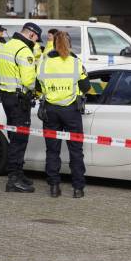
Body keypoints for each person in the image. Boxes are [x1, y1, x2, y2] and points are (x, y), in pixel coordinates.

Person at [36, 31, 90, 198]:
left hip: (51, 110)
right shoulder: (75, 62)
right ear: (70, 44)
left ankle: (54, 187)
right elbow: (86, 86)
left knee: (52, 150)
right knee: (76, 150)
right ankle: (78, 189)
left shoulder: (44, 63)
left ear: (53, 44)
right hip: (71, 110)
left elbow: (38, 88)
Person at [0, 21, 42, 193]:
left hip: (7, 97)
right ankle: (14, 179)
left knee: (14, 136)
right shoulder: (24, 51)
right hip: (19, 100)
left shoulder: (7, 46)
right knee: (19, 139)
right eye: (36, 38)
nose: (35, 42)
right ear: (31, 34)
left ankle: (18, 173)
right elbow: (28, 80)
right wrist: (38, 90)